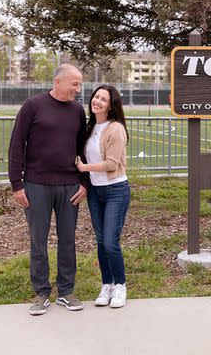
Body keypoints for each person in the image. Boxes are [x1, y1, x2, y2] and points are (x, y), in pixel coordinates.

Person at [8, 64, 89, 316]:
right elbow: (16, 144)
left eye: (79, 84)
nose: (78, 89)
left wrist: (84, 183)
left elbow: (82, 149)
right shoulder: (33, 106)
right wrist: (17, 184)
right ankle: (42, 293)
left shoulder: (77, 111)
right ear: (58, 82)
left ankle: (66, 291)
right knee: (38, 242)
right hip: (36, 185)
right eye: (74, 84)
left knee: (68, 240)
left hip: (69, 187)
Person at [76, 85, 130, 308]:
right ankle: (106, 284)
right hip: (96, 192)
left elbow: (111, 164)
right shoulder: (91, 127)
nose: (97, 101)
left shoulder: (115, 129)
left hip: (115, 191)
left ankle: (120, 286)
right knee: (100, 241)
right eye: (96, 97)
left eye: (103, 99)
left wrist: (84, 168)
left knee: (110, 242)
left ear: (111, 105)